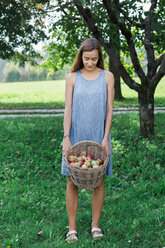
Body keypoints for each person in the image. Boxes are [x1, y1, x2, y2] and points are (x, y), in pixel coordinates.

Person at [61, 38, 115, 243]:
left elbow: (110, 109)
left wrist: (106, 137)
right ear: (80, 57)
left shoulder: (107, 77)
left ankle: (95, 226)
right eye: (86, 59)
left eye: (94, 59)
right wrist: (66, 138)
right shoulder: (72, 77)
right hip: (75, 134)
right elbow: (68, 109)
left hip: (98, 134)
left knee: (99, 180)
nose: (90, 63)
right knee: (71, 180)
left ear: (99, 57)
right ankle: (72, 229)